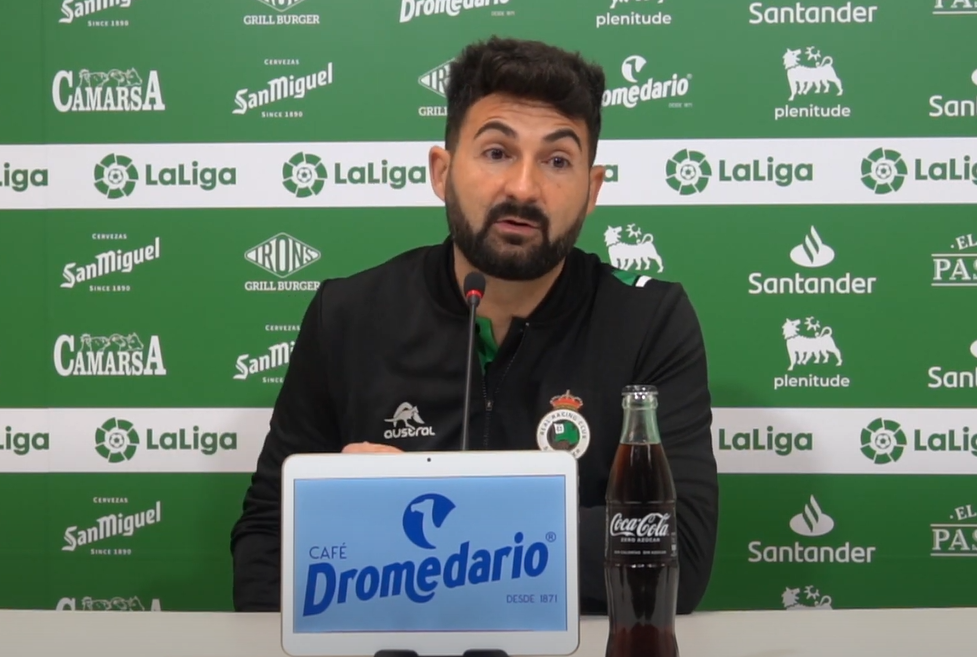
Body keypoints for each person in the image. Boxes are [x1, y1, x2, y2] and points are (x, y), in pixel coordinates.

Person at [230, 36, 718, 616]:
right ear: (442, 172)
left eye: (558, 160)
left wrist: (413, 507)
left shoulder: (649, 322)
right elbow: (270, 533)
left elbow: (673, 551)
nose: (523, 188)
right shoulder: (348, 313)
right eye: (495, 153)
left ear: (592, 191)